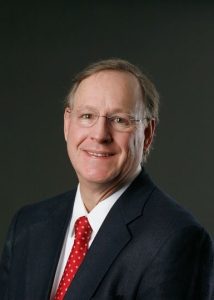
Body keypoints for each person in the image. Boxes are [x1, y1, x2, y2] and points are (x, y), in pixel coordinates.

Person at [0, 58, 213, 300]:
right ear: (67, 124)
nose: (100, 134)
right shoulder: (28, 225)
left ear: (148, 134)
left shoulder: (176, 240)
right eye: (88, 116)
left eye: (119, 120)